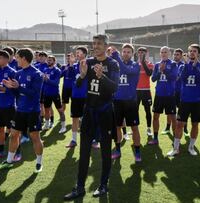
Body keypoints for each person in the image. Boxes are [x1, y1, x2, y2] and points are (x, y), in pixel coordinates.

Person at [64, 34, 119, 200]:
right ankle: (79, 187)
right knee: (84, 152)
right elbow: (78, 85)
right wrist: (81, 75)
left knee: (104, 152)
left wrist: (102, 76)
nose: (95, 46)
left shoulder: (112, 63)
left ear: (106, 45)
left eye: (99, 43)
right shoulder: (87, 62)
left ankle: (103, 185)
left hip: (105, 112)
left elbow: (114, 88)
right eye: (94, 43)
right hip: (89, 112)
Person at [0, 48, 44, 172]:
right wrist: (10, 87)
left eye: (17, 57)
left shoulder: (36, 74)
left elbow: (35, 94)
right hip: (20, 110)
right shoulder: (18, 73)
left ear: (23, 58)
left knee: (34, 136)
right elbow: (16, 93)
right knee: (14, 135)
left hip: (33, 111)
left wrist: (18, 88)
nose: (15, 59)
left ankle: (39, 162)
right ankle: (9, 161)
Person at [167, 44, 200, 157]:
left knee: (195, 124)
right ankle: (176, 148)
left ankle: (191, 147)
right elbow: (182, 78)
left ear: (198, 53)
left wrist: (194, 66)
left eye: (194, 51)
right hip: (185, 100)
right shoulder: (182, 66)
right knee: (180, 124)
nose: (192, 53)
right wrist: (187, 65)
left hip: (197, 100)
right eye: (190, 51)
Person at [110, 44, 141, 162]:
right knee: (117, 126)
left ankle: (137, 151)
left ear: (132, 54)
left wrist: (116, 56)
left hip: (131, 102)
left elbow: (125, 69)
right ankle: (117, 150)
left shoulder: (135, 65)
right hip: (117, 101)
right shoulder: (115, 64)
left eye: (128, 52)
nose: (126, 53)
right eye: (124, 51)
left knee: (134, 127)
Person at [150, 46, 178, 145]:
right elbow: (153, 79)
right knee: (155, 116)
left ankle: (175, 139)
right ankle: (155, 138)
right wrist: (159, 71)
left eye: (165, 52)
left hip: (170, 95)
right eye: (162, 52)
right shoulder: (157, 65)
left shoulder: (173, 64)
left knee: (173, 118)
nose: (163, 54)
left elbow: (174, 77)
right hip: (159, 95)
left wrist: (165, 70)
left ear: (169, 53)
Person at [66, 46, 88, 148]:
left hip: (86, 96)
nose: (77, 54)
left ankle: (91, 139)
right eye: (76, 52)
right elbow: (69, 76)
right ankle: (74, 140)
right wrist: (70, 64)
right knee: (75, 118)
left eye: (79, 52)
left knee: (88, 119)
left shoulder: (88, 64)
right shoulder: (74, 66)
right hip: (75, 96)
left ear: (84, 54)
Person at [41, 55, 67, 133]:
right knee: (46, 110)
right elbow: (44, 82)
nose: (48, 62)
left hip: (55, 94)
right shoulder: (45, 69)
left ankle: (63, 126)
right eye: (48, 60)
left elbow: (56, 83)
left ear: (54, 61)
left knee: (60, 110)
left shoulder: (57, 70)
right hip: (46, 94)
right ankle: (47, 124)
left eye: (50, 60)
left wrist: (47, 80)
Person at [136, 47, 154, 138]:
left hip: (146, 91)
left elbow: (149, 74)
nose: (141, 54)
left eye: (143, 52)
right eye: (139, 52)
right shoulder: (134, 64)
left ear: (146, 54)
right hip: (136, 91)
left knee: (147, 110)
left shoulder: (150, 64)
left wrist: (143, 62)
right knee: (134, 110)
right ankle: (134, 127)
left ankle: (149, 128)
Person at [172, 48, 189, 136]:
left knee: (182, 111)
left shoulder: (184, 65)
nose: (175, 56)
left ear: (181, 56)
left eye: (177, 54)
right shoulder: (171, 64)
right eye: (174, 54)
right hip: (171, 91)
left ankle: (185, 128)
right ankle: (172, 129)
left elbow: (179, 77)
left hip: (181, 92)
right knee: (172, 112)